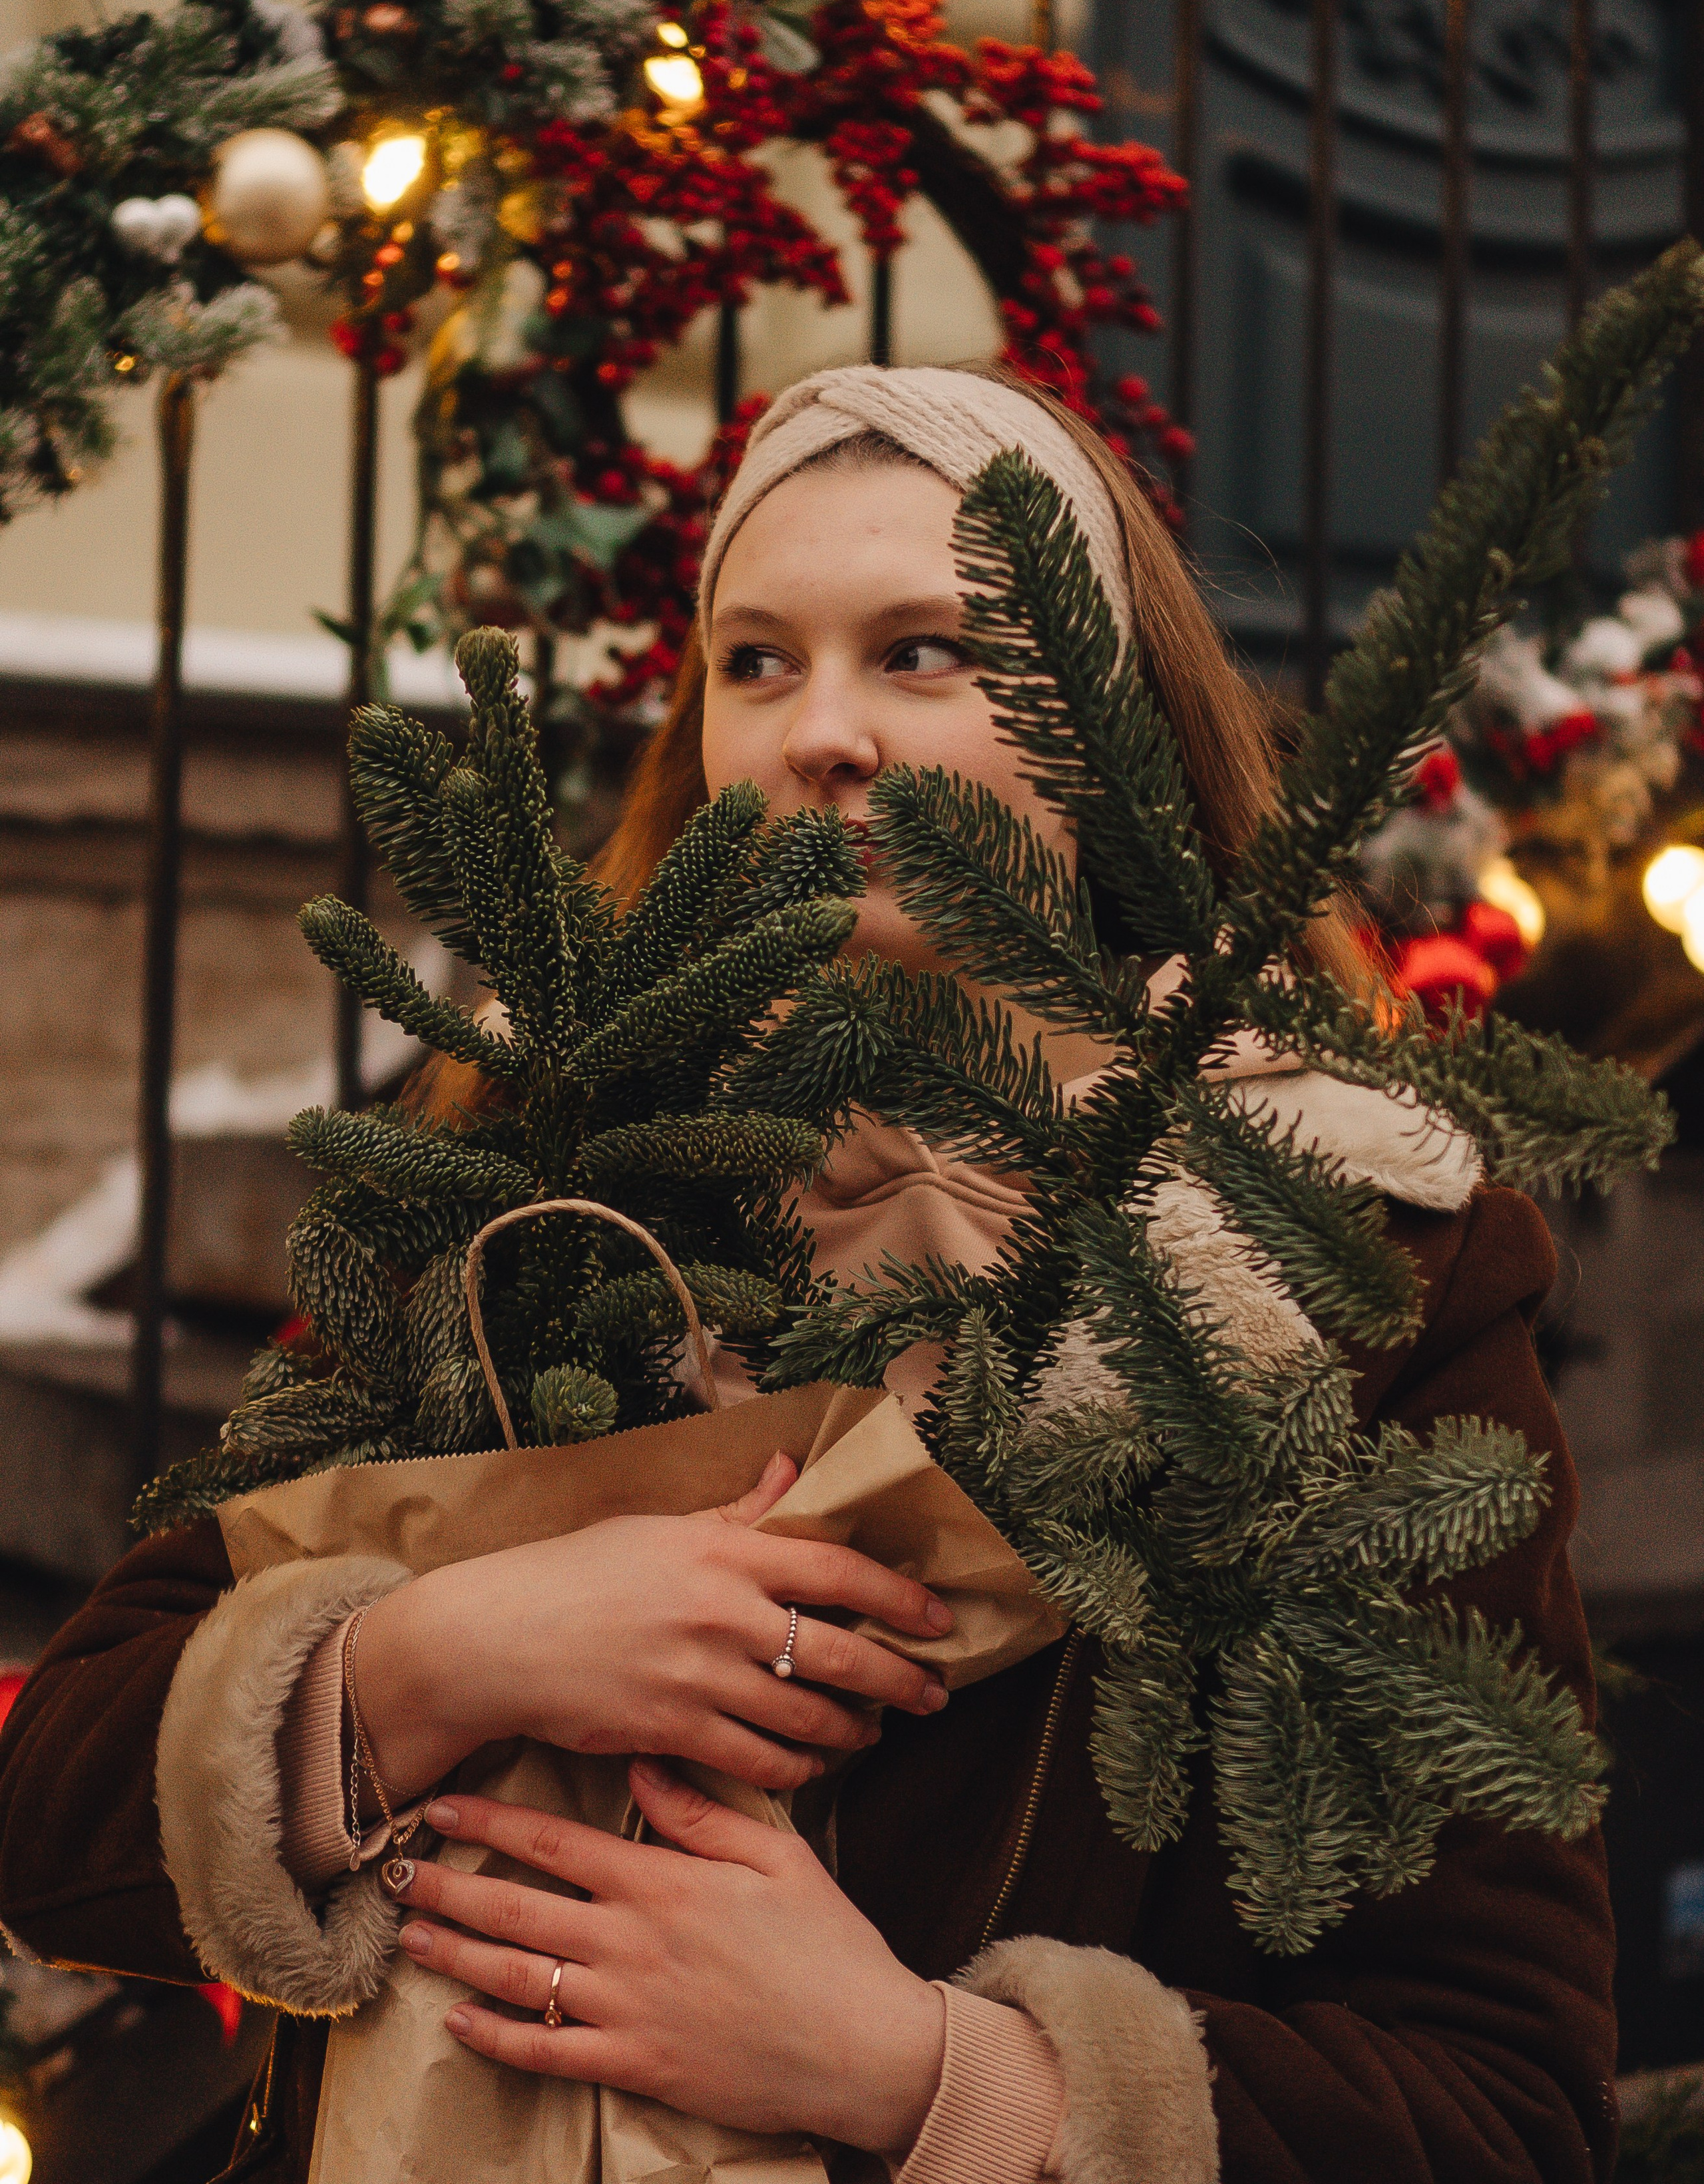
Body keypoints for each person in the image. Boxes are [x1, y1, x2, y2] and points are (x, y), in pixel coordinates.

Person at [0, 365, 1615, 2184]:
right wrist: (449, 1651)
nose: (818, 733)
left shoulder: (1342, 1256)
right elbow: (52, 1817)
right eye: (754, 662)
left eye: (922, 651)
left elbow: (1502, 2106)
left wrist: (918, 2071)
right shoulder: (540, 1175)